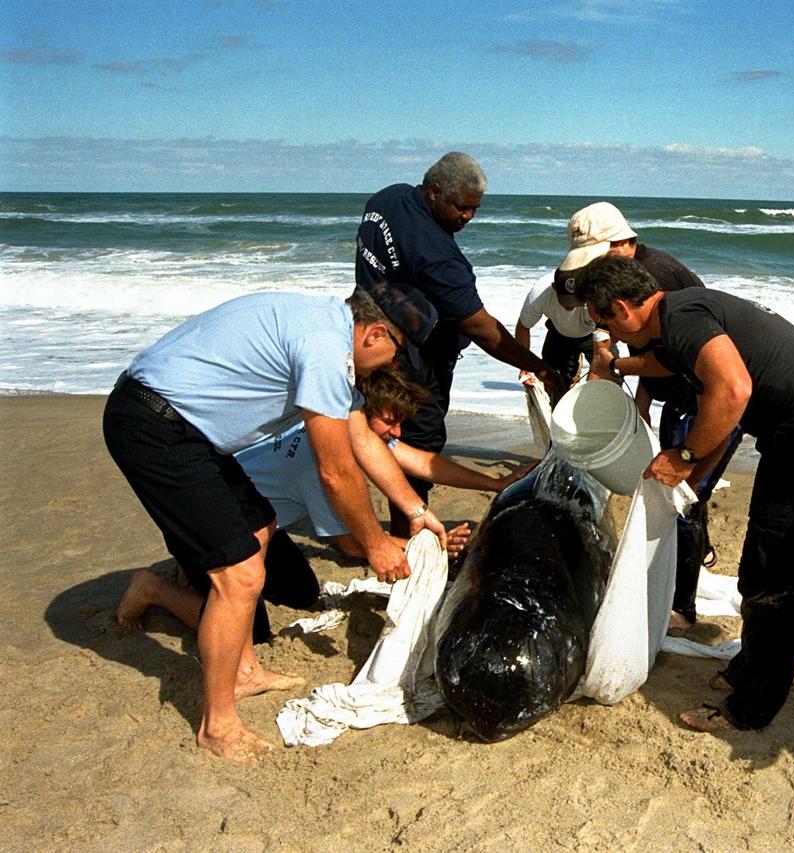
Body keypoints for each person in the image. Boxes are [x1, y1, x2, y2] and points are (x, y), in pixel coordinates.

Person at [103, 285, 447, 765]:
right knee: (240, 574)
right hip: (153, 425)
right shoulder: (325, 346)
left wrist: (413, 510)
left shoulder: (327, 331)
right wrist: (375, 544)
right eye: (395, 356)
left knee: (260, 527)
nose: (391, 367)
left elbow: (363, 442)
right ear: (374, 333)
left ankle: (243, 670)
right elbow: (336, 470)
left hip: (191, 432)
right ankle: (216, 725)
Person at [573, 254, 794, 732]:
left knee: (779, 576)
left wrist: (684, 457)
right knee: (760, 565)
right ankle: (751, 670)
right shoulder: (680, 317)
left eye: (603, 320)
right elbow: (667, 367)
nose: (607, 331)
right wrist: (615, 366)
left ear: (624, 308)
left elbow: (732, 392)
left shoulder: (681, 317)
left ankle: (751, 707)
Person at [116, 367, 530, 645]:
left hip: (259, 523)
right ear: (361, 414)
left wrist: (493, 483)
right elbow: (354, 545)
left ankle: (194, 569)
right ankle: (153, 588)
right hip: (212, 519)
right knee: (252, 632)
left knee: (302, 593)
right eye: (390, 421)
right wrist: (432, 548)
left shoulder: (339, 424)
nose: (396, 432)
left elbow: (414, 458)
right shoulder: (323, 464)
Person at [354, 152, 564, 533]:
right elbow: (482, 329)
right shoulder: (438, 257)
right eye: (461, 207)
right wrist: (540, 367)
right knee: (419, 441)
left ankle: (400, 523)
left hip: (368, 339)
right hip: (416, 360)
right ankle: (408, 532)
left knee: (386, 437)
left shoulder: (388, 198)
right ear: (434, 192)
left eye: (474, 208)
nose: (468, 216)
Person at [557, 201, 736, 629]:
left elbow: (672, 356)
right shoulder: (624, 278)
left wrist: (620, 371)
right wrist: (638, 394)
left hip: (706, 396)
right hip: (679, 391)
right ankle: (685, 564)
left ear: (623, 243)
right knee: (675, 490)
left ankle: (683, 608)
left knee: (685, 494)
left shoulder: (657, 277)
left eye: (597, 259)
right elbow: (651, 350)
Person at [514, 268, 612, 389]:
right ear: (554, 287)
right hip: (559, 331)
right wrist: (524, 366)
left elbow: (606, 329)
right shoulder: (540, 293)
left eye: (575, 301)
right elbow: (523, 326)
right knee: (553, 383)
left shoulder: (596, 291)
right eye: (565, 301)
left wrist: (592, 382)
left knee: (609, 380)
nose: (569, 306)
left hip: (594, 332)